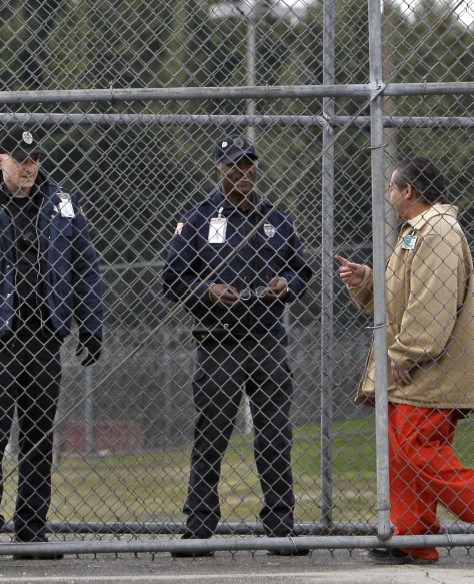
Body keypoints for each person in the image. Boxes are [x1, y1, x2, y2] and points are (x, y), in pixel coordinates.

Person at [334, 157, 474, 566]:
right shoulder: (417, 232)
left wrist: (406, 353)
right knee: (402, 452)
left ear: (408, 191)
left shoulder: (439, 232)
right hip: (411, 369)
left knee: (416, 446)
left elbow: (432, 303)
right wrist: (368, 280)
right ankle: (412, 537)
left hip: (428, 370)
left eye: (393, 188)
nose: (390, 196)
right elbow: (402, 293)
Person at [0, 126, 103, 560]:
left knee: (38, 436)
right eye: (21, 159)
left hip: (43, 336)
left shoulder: (60, 204)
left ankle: (32, 528)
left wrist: (91, 324)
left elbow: (85, 265)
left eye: (35, 158)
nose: (30, 167)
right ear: (1, 160)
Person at [162, 134, 313, 558]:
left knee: (274, 436)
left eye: (249, 165)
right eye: (234, 166)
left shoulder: (276, 219)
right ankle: (199, 529)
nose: (244, 173)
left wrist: (287, 285)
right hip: (218, 344)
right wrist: (207, 290)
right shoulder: (196, 220)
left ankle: (281, 527)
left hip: (267, 343)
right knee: (212, 434)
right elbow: (172, 279)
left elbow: (302, 270)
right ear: (219, 169)